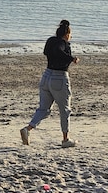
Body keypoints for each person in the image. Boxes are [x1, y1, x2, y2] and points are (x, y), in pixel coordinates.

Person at [20, 19, 78, 147]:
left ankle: (28, 129)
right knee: (65, 109)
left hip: (46, 76)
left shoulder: (51, 40)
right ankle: (65, 139)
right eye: (70, 34)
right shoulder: (63, 43)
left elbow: (46, 52)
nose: (71, 37)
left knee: (44, 109)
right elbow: (59, 50)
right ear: (67, 34)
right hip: (59, 78)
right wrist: (71, 58)